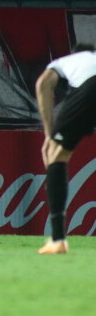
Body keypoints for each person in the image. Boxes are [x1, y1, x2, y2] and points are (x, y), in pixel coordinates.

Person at [34, 43, 96, 255]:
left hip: (91, 87)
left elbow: (43, 83)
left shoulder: (64, 63)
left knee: (56, 154)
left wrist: (49, 134)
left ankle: (58, 239)